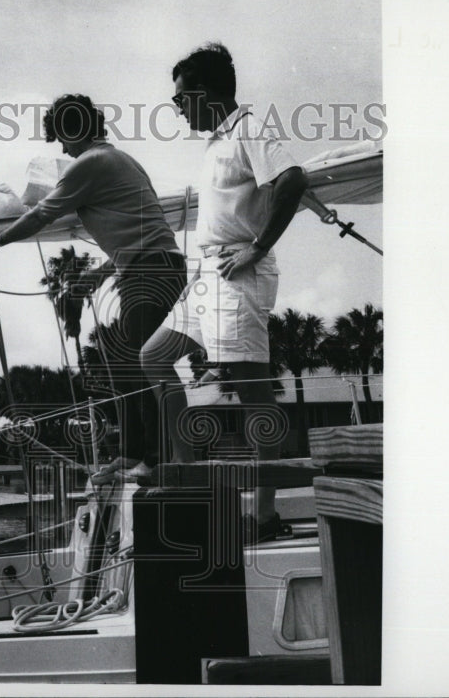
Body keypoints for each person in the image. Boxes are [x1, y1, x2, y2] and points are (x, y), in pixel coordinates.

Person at [141, 43, 338, 542]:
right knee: (154, 357)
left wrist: (256, 245)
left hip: (237, 270)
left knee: (251, 386)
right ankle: (191, 480)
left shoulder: (250, 128)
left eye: (181, 98)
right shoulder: (217, 142)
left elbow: (293, 180)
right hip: (207, 273)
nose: (178, 108)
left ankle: (265, 512)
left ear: (206, 94)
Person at [0, 94, 187, 481]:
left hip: (150, 272)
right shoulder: (121, 160)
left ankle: (155, 461)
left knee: (139, 362)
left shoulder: (89, 164)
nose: (62, 148)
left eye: (63, 138)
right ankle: (131, 453)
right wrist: (101, 273)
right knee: (124, 361)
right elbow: (141, 230)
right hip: (151, 267)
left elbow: (41, 213)